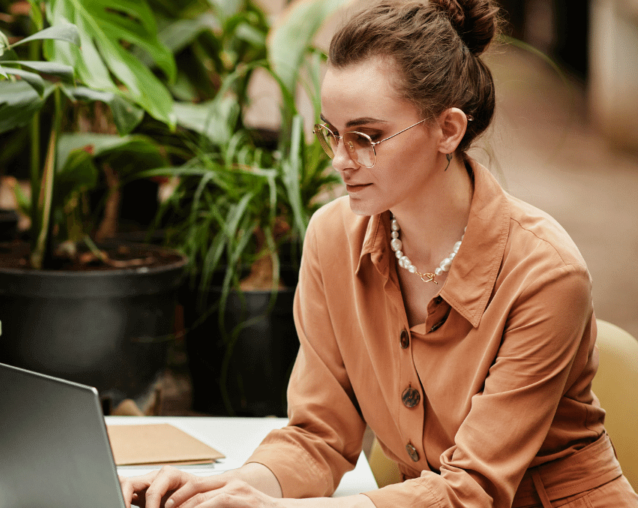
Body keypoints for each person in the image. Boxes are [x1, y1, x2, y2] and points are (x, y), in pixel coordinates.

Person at [119, 0, 638, 506]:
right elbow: (319, 435)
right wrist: (234, 486)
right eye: (332, 134)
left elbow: (471, 491)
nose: (341, 161)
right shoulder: (332, 237)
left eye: (367, 136)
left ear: (448, 130)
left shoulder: (545, 273)